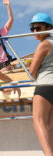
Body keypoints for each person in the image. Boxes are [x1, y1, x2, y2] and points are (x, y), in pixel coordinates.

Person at [29, 12, 53, 156]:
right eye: (33, 28)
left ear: (48, 27)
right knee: (49, 127)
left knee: (38, 122)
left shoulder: (44, 45)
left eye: (38, 28)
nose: (35, 31)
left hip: (45, 85)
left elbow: (31, 71)